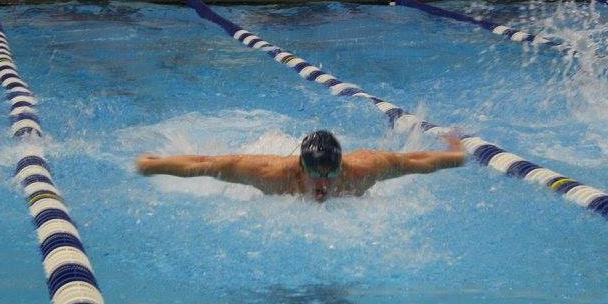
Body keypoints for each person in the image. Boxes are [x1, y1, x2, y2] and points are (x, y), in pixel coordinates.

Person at [136, 130, 466, 202]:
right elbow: (206, 164)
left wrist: (455, 155)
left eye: (331, 175)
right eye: (316, 176)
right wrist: (154, 166)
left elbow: (414, 162)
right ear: (300, 170)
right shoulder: (272, 175)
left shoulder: (362, 171)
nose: (324, 185)